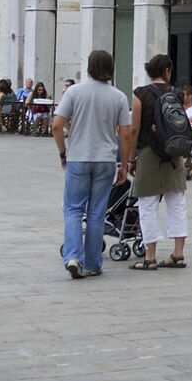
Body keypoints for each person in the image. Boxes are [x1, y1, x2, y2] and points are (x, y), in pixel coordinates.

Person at [52, 50, 133, 280]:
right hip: (106, 159)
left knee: (73, 209)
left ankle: (73, 256)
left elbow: (57, 125)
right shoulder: (118, 96)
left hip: (78, 156)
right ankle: (93, 263)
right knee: (97, 212)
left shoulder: (74, 92)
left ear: (88, 67)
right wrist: (124, 165)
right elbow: (125, 134)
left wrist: (62, 152)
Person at [128, 54, 190, 270]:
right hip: (174, 153)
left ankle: (150, 255)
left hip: (149, 153)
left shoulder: (140, 94)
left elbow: (134, 128)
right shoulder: (177, 94)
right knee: (177, 202)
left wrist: (130, 159)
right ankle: (178, 253)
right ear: (167, 71)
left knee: (147, 204)